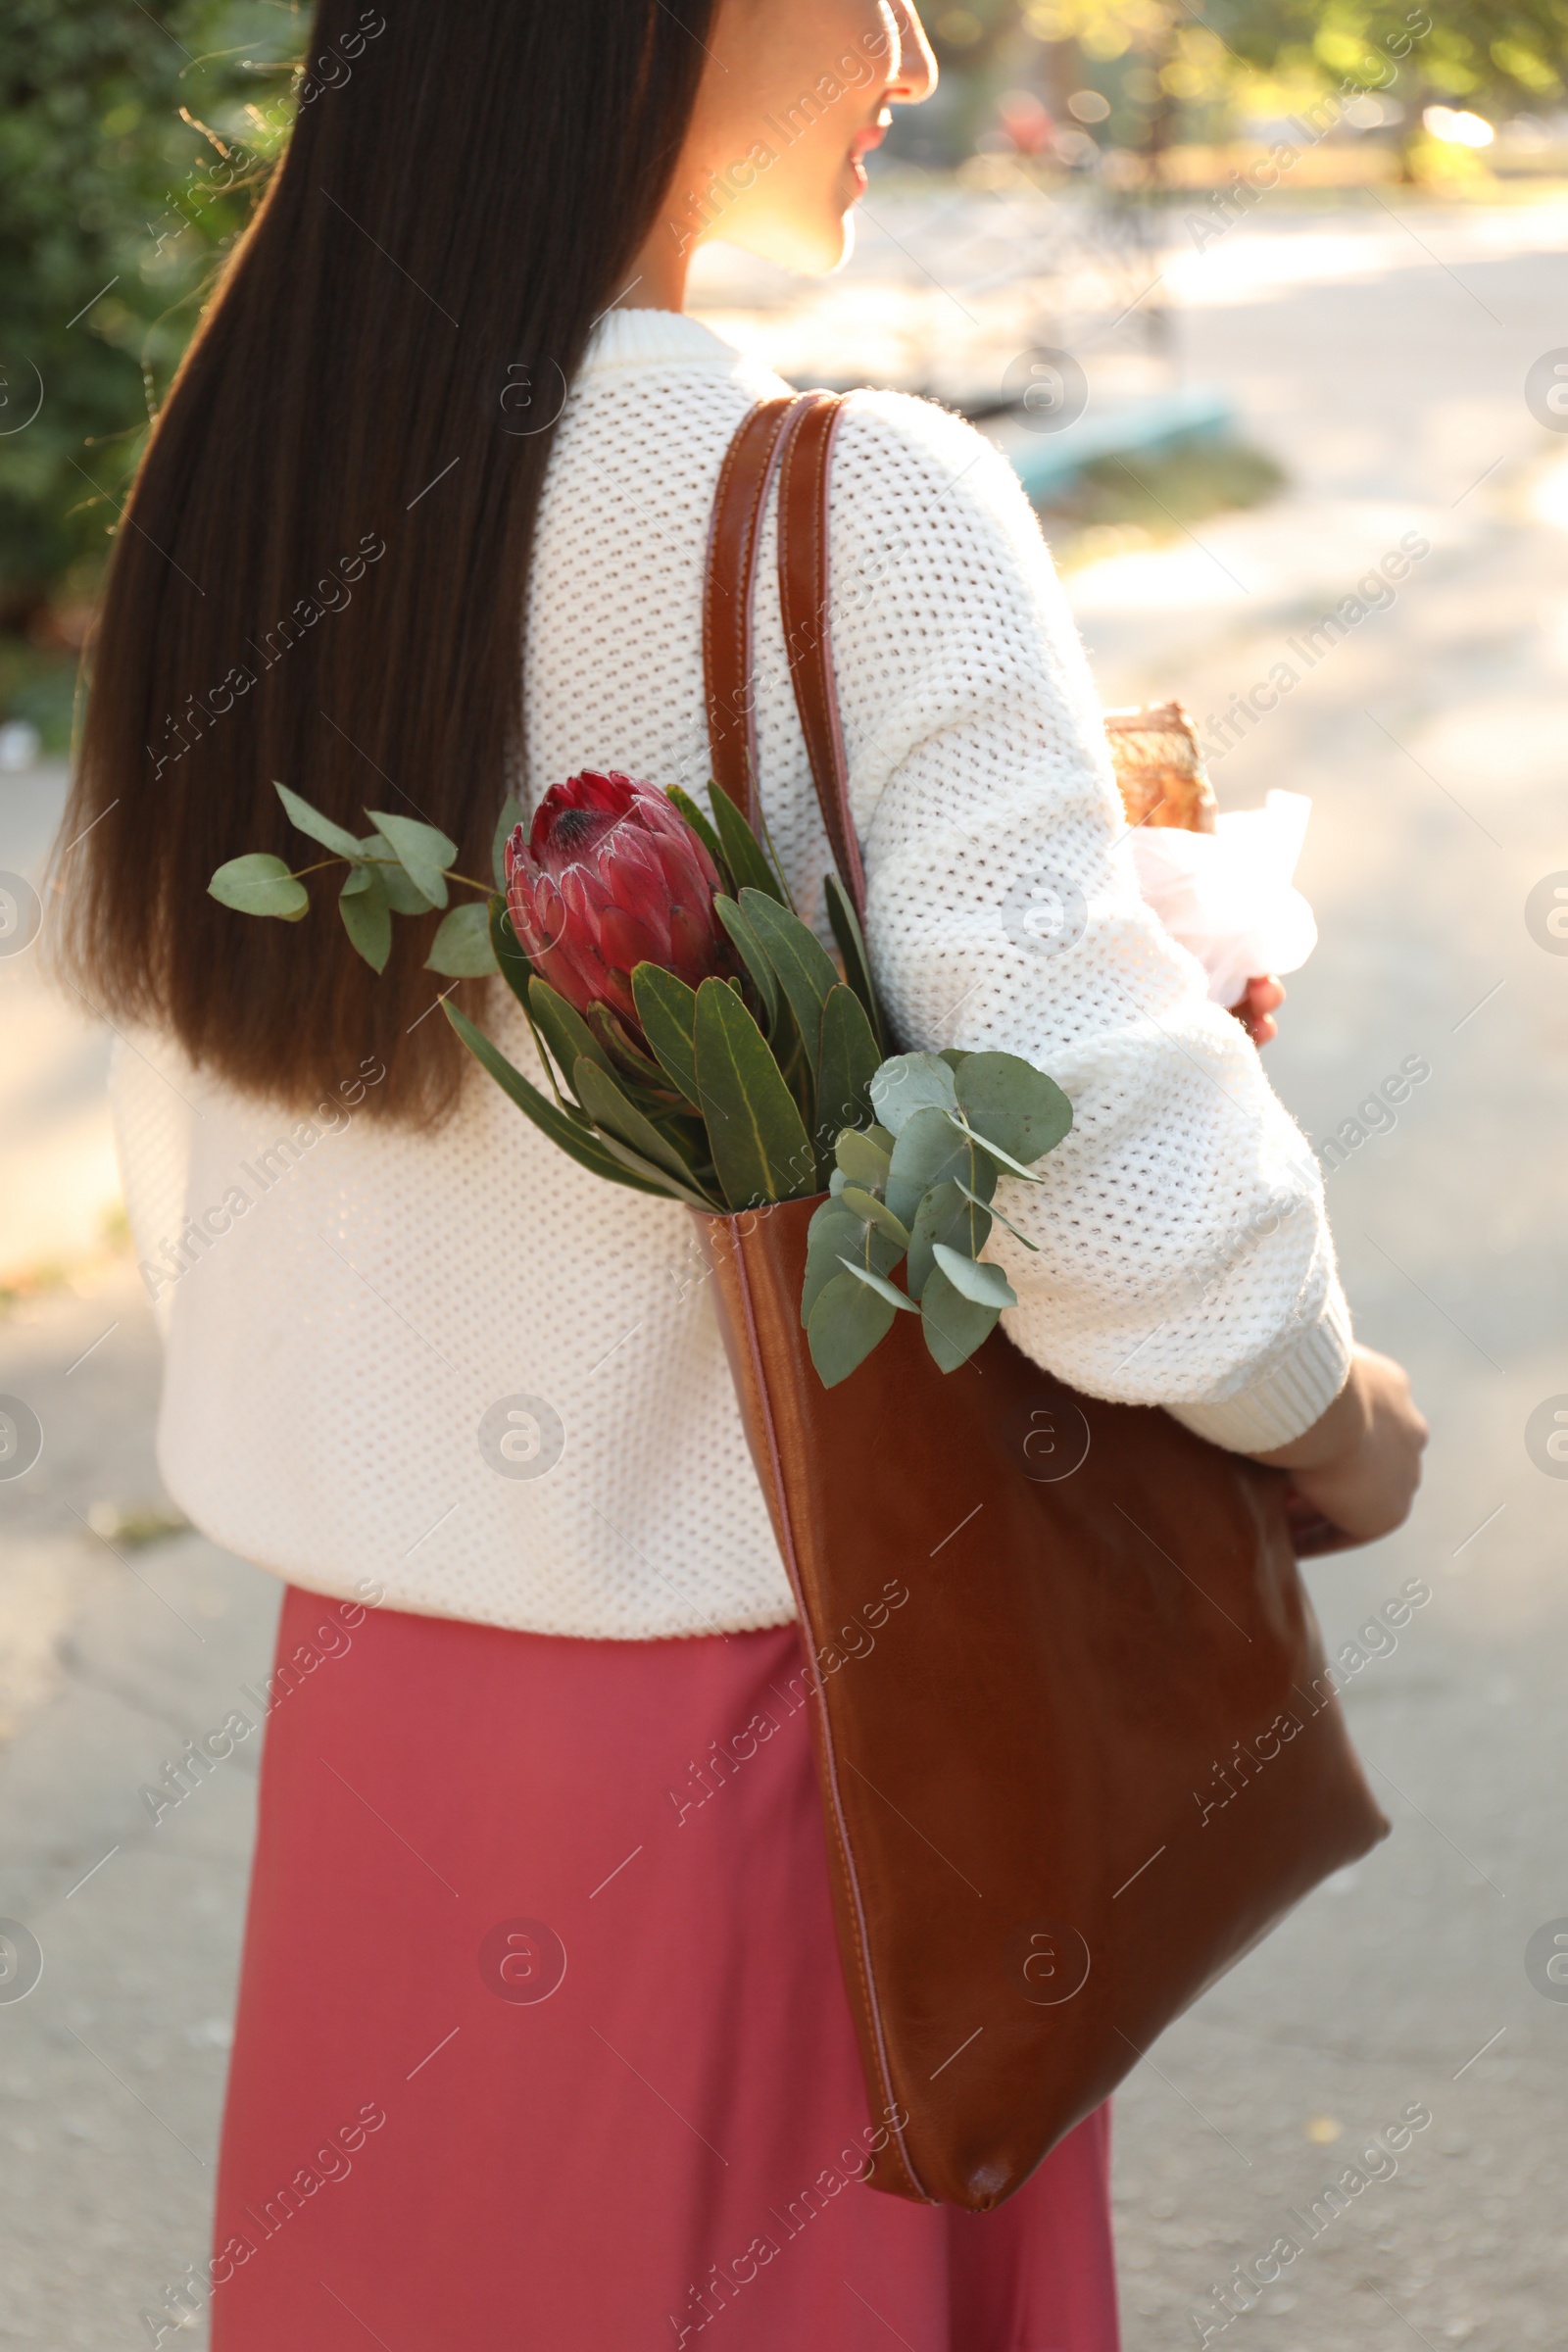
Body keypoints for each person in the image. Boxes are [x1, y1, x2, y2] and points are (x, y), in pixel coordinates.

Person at [54, 3, 1427, 2345]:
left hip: (378, 1737)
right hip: (786, 1736)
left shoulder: (252, 491)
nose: (903, 51)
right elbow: (1081, 1143)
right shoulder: (844, 507)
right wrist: (1323, 1408)